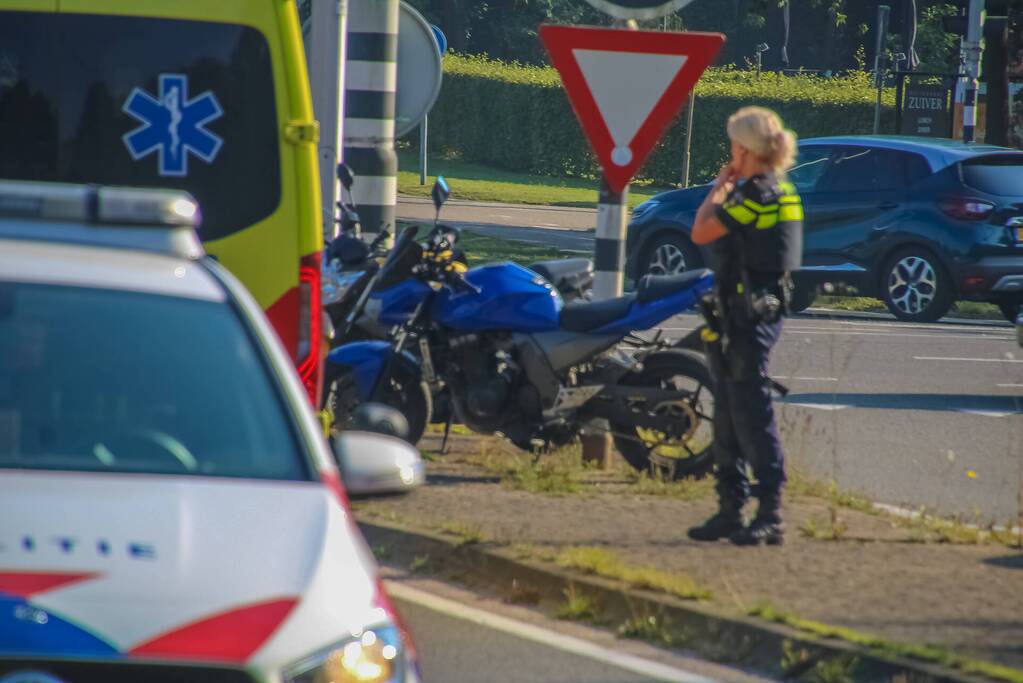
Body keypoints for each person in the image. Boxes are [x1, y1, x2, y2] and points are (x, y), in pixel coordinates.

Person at [686, 107, 803, 546]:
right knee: (729, 415)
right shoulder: (780, 190)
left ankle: (769, 514)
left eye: (733, 145)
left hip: (750, 316)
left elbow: (701, 231)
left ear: (744, 149)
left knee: (750, 414)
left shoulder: (756, 194)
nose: (730, 152)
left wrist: (719, 186)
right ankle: (729, 510)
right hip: (742, 313)